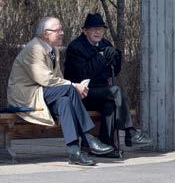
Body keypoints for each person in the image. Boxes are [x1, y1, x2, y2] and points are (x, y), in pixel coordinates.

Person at [7, 17, 114, 166]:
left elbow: (58, 79)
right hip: (27, 96)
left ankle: (74, 151)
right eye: (59, 30)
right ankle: (89, 138)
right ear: (46, 34)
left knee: (65, 101)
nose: (62, 33)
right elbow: (46, 79)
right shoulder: (34, 49)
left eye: (61, 29)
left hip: (43, 93)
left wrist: (74, 88)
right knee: (69, 89)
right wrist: (74, 86)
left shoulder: (53, 50)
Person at [64, 13, 152, 157]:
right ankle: (130, 131)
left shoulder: (105, 44)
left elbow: (115, 71)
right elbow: (82, 75)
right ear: (85, 31)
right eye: (93, 29)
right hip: (82, 94)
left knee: (110, 104)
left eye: (100, 29)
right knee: (115, 91)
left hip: (101, 93)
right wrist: (100, 57)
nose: (98, 32)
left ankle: (106, 146)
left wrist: (115, 57)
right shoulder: (76, 47)